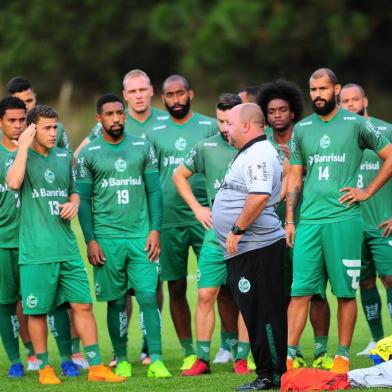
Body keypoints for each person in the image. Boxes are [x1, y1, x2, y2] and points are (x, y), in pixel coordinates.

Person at [6, 105, 124, 385]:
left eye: (55, 127)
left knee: (83, 305)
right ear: (32, 129)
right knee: (37, 311)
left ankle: (95, 366)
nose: (53, 132)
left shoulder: (63, 156)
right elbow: (12, 183)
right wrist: (22, 148)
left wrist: (73, 203)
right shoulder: (19, 157)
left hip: (68, 249)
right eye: (46, 128)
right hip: (36, 251)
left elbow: (74, 191)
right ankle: (45, 368)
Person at [285, 68, 392, 374]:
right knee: (300, 291)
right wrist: (291, 219)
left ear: (336, 89)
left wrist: (367, 191)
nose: (317, 94)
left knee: (345, 291)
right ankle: (290, 355)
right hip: (309, 222)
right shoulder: (302, 129)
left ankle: (342, 355)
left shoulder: (357, 124)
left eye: (323, 88)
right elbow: (294, 174)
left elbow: (390, 155)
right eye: (313, 89)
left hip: (345, 220)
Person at [74, 69, 168, 365]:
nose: (116, 118)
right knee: (115, 301)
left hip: (140, 236)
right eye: (110, 114)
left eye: (119, 113)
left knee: (148, 297)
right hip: (107, 238)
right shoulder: (90, 153)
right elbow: (85, 200)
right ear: (98, 119)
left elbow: (155, 192)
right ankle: (121, 357)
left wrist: (155, 230)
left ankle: (156, 359)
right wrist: (90, 239)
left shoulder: (142, 147)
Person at [173, 93, 256, 376]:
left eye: (229, 121)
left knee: (245, 294)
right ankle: (202, 358)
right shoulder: (205, 147)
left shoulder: (256, 147)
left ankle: (242, 358)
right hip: (215, 236)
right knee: (206, 293)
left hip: (249, 235)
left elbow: (282, 174)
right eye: (220, 120)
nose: (223, 127)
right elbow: (178, 176)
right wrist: (197, 208)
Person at [257, 80, 333, 370]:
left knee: (314, 291)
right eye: (271, 110)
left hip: (307, 223)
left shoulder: (306, 136)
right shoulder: (260, 143)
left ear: (293, 112)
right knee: (281, 291)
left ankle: (322, 349)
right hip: (268, 229)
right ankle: (292, 350)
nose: (277, 115)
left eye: (283, 110)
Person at [212, 103, 287, 391]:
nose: (225, 129)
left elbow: (259, 196)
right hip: (248, 250)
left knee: (264, 312)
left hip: (257, 247)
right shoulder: (249, 153)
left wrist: (237, 229)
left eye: (229, 124)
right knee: (254, 311)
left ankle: (272, 375)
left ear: (245, 125)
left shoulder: (258, 153)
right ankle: (268, 372)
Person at [146, 74, 217, 370]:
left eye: (180, 94)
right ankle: (189, 350)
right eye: (169, 95)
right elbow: (149, 178)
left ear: (191, 94)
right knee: (175, 287)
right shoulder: (154, 131)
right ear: (162, 98)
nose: (175, 100)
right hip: (169, 220)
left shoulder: (209, 126)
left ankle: (230, 346)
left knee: (220, 285)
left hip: (208, 217)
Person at [340, 83, 392, 355]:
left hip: (383, 221)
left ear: (365, 101)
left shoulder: (386, 130)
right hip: (352, 224)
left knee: (390, 278)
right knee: (365, 281)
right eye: (345, 101)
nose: (350, 104)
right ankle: (378, 340)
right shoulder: (340, 135)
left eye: (355, 99)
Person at [74, 69, 168, 157]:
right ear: (125, 95)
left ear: (151, 90)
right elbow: (77, 155)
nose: (138, 96)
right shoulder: (113, 121)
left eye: (142, 90)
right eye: (132, 91)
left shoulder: (167, 119)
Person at [0, 96, 28, 378]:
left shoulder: (36, 150)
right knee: (5, 302)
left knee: (51, 301)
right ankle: (15, 359)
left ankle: (65, 357)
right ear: (1, 122)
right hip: (3, 242)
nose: (18, 125)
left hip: (34, 240)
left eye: (22, 120)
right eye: (12, 121)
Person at [6, 76, 72, 153]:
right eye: (20, 102)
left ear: (35, 97)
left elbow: (69, 158)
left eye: (29, 100)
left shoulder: (57, 128)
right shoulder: (4, 133)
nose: (26, 106)